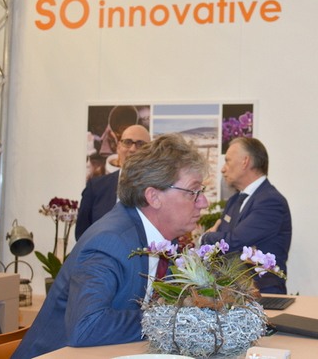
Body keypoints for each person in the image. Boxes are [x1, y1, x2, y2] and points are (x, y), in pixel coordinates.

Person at [12, 133, 209, 359]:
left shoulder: (165, 240)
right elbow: (87, 326)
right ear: (154, 197)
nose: (204, 202)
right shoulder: (110, 241)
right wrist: (173, 320)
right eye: (194, 192)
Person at [201, 137, 292, 294]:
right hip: (233, 293)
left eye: (228, 161)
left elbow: (234, 241)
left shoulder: (270, 201)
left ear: (245, 162)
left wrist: (206, 237)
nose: (223, 169)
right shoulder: (235, 200)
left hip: (263, 294)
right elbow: (225, 244)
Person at [75, 124, 151, 240]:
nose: (133, 149)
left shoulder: (161, 190)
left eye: (141, 144)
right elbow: (82, 235)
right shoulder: (95, 188)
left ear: (150, 152)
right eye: (127, 142)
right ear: (118, 147)